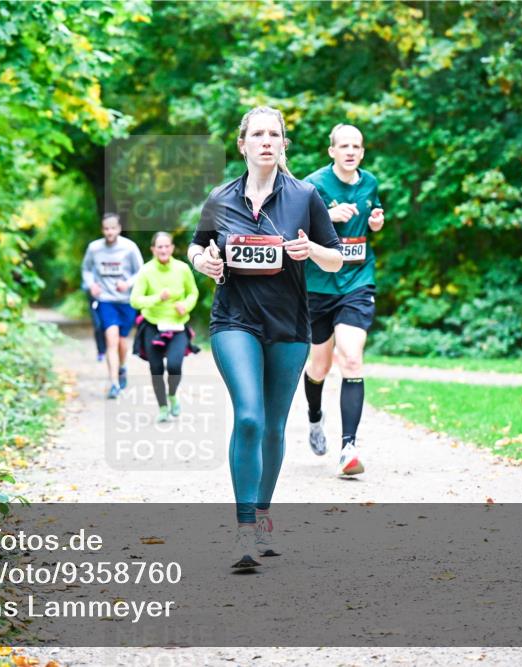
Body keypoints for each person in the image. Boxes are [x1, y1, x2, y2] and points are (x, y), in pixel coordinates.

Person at [187, 106, 342, 570]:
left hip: (290, 325)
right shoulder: (221, 198)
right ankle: (243, 533)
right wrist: (203, 263)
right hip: (234, 319)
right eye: (258, 134)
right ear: (243, 144)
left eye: (275, 134)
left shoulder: (305, 196)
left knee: (274, 426)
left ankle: (263, 513)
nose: (267, 141)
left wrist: (309, 249)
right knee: (250, 417)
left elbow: (335, 259)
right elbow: (197, 245)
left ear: (284, 145)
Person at [302, 124, 385, 478]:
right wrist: (327, 217)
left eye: (357, 146)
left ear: (362, 153)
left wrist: (377, 221)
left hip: (357, 282)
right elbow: (292, 226)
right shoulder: (313, 185)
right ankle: (314, 418)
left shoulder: (370, 184)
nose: (350, 151)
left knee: (351, 358)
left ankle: (348, 447)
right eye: (344, 146)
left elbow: (374, 216)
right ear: (331, 150)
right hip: (318, 285)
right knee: (319, 367)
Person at [130, 232, 200, 422]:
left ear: (172, 248)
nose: (163, 250)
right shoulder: (146, 271)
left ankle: (172, 395)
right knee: (156, 368)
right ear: (153, 249)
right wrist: (157, 298)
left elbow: (193, 293)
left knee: (175, 365)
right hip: (153, 325)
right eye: (159, 247)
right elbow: (135, 300)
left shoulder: (182, 268)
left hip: (178, 325)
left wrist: (185, 305)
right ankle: (162, 407)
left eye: (166, 246)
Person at [81, 213, 144, 398]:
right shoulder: (94, 248)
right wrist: (91, 284)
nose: (109, 232)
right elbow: (86, 269)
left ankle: (122, 367)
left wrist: (128, 284)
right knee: (111, 340)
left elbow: (141, 271)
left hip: (125, 301)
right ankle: (114, 384)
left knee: (123, 342)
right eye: (106, 229)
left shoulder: (129, 247)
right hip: (105, 299)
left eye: (113, 228)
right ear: (102, 230)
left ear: (118, 229)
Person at [84, 288, 107, 362]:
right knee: (98, 326)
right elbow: (85, 285)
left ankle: (109, 349)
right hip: (95, 301)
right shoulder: (89, 277)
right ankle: (101, 351)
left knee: (107, 327)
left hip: (109, 302)